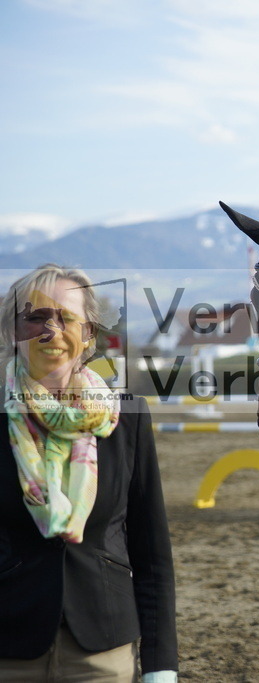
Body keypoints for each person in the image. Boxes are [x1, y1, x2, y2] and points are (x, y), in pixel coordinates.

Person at [0, 265, 178, 682]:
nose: (51, 330)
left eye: (66, 318)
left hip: (103, 651)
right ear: (12, 333)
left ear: (90, 335)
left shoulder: (129, 418)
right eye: (36, 317)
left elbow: (152, 554)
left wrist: (161, 667)